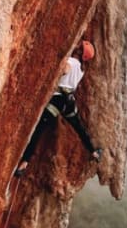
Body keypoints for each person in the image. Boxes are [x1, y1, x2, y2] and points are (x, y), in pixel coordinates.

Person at [15, 40, 102, 177]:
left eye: (78, 46)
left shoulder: (70, 62)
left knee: (38, 130)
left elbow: (65, 70)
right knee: (79, 128)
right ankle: (94, 152)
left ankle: (24, 163)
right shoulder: (81, 70)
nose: (76, 46)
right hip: (69, 102)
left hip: (58, 100)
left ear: (79, 51)